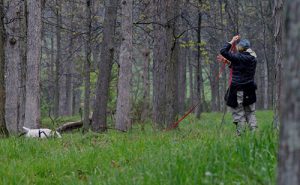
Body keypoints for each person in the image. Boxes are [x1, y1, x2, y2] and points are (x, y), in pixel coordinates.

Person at [220, 35, 257, 136]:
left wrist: (232, 41)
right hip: (250, 89)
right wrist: (229, 63)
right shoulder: (253, 57)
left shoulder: (239, 57)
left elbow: (223, 51)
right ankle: (254, 136)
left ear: (241, 48)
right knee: (250, 112)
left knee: (239, 114)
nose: (236, 47)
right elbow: (242, 67)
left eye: (238, 46)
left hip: (238, 91)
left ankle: (240, 137)